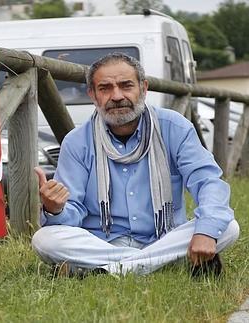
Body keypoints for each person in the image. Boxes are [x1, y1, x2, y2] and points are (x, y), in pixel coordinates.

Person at [31, 52, 240, 276]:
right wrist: (55, 209)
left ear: (143, 88)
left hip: (164, 237)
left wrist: (205, 232)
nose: (117, 95)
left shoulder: (174, 127)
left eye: (126, 85)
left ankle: (104, 271)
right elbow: (73, 213)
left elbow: (208, 182)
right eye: (105, 88)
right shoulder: (77, 141)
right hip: (103, 243)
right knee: (45, 240)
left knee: (227, 227)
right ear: (93, 94)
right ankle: (158, 264)